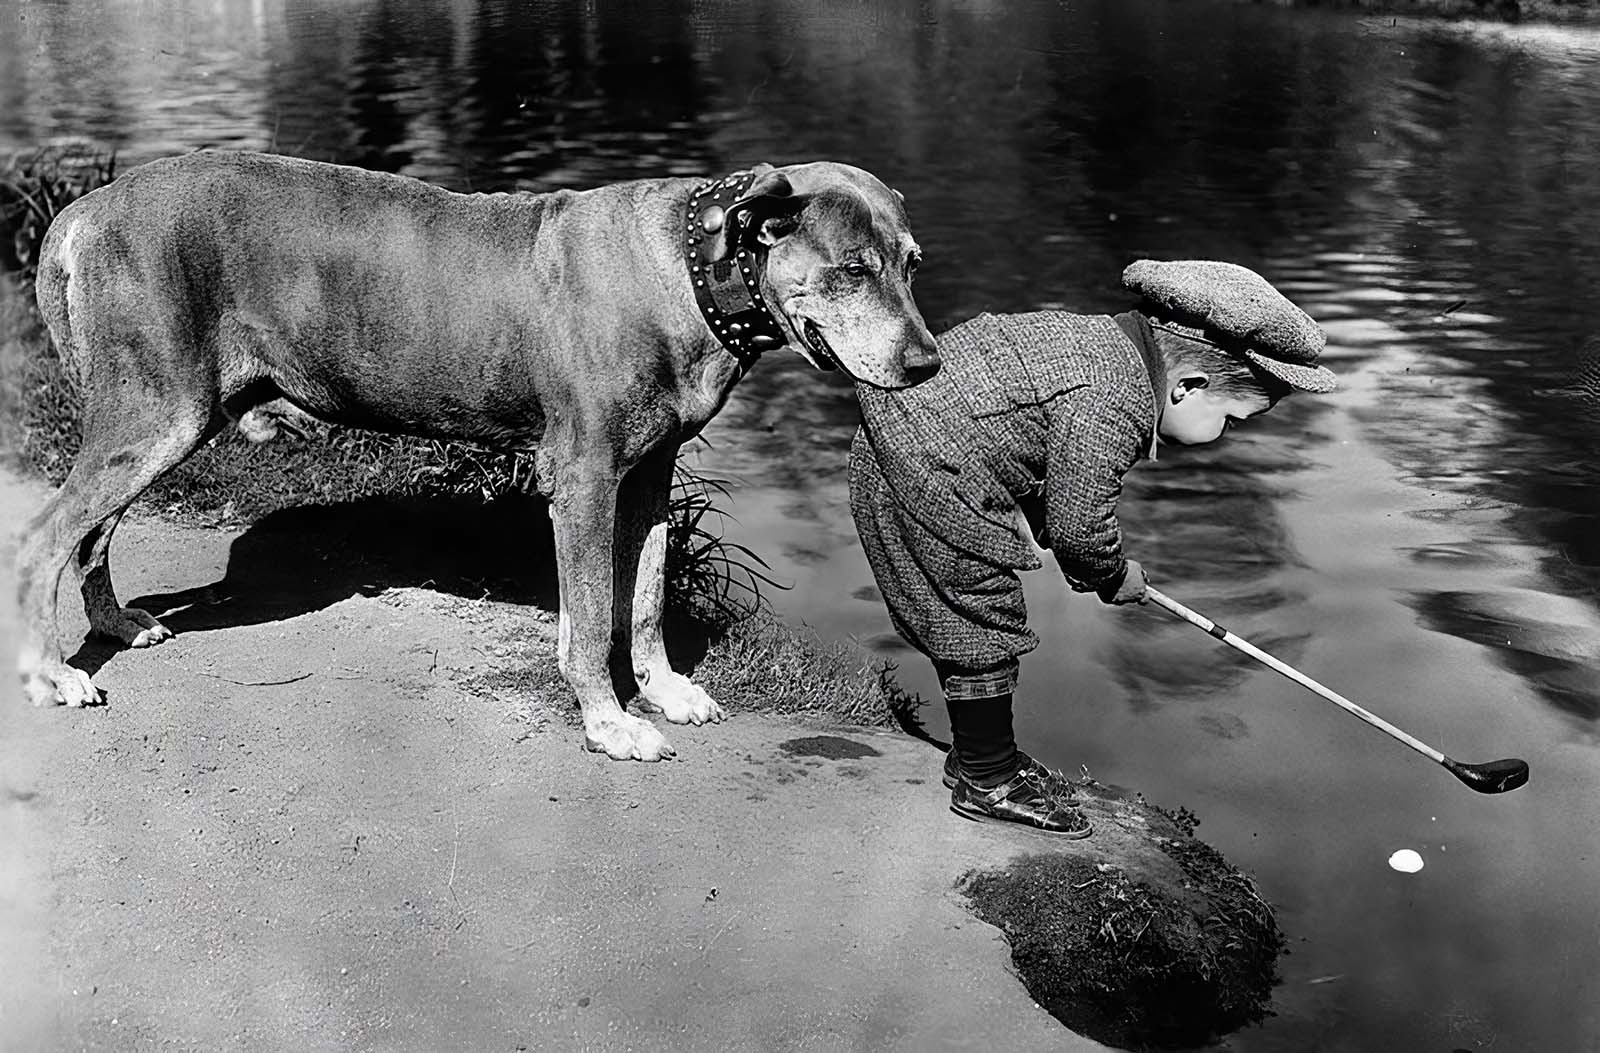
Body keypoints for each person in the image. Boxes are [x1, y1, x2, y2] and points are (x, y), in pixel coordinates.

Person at [849, 260, 1338, 836]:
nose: (1225, 436)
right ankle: (987, 778)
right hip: (924, 469)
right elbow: (1081, 529)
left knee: (971, 617)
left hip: (913, 448)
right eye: (1230, 421)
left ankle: (980, 756)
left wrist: (1068, 539)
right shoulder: (1118, 399)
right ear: (1186, 387)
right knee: (977, 622)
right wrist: (1110, 574)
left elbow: (1029, 447)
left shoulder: (1101, 346)